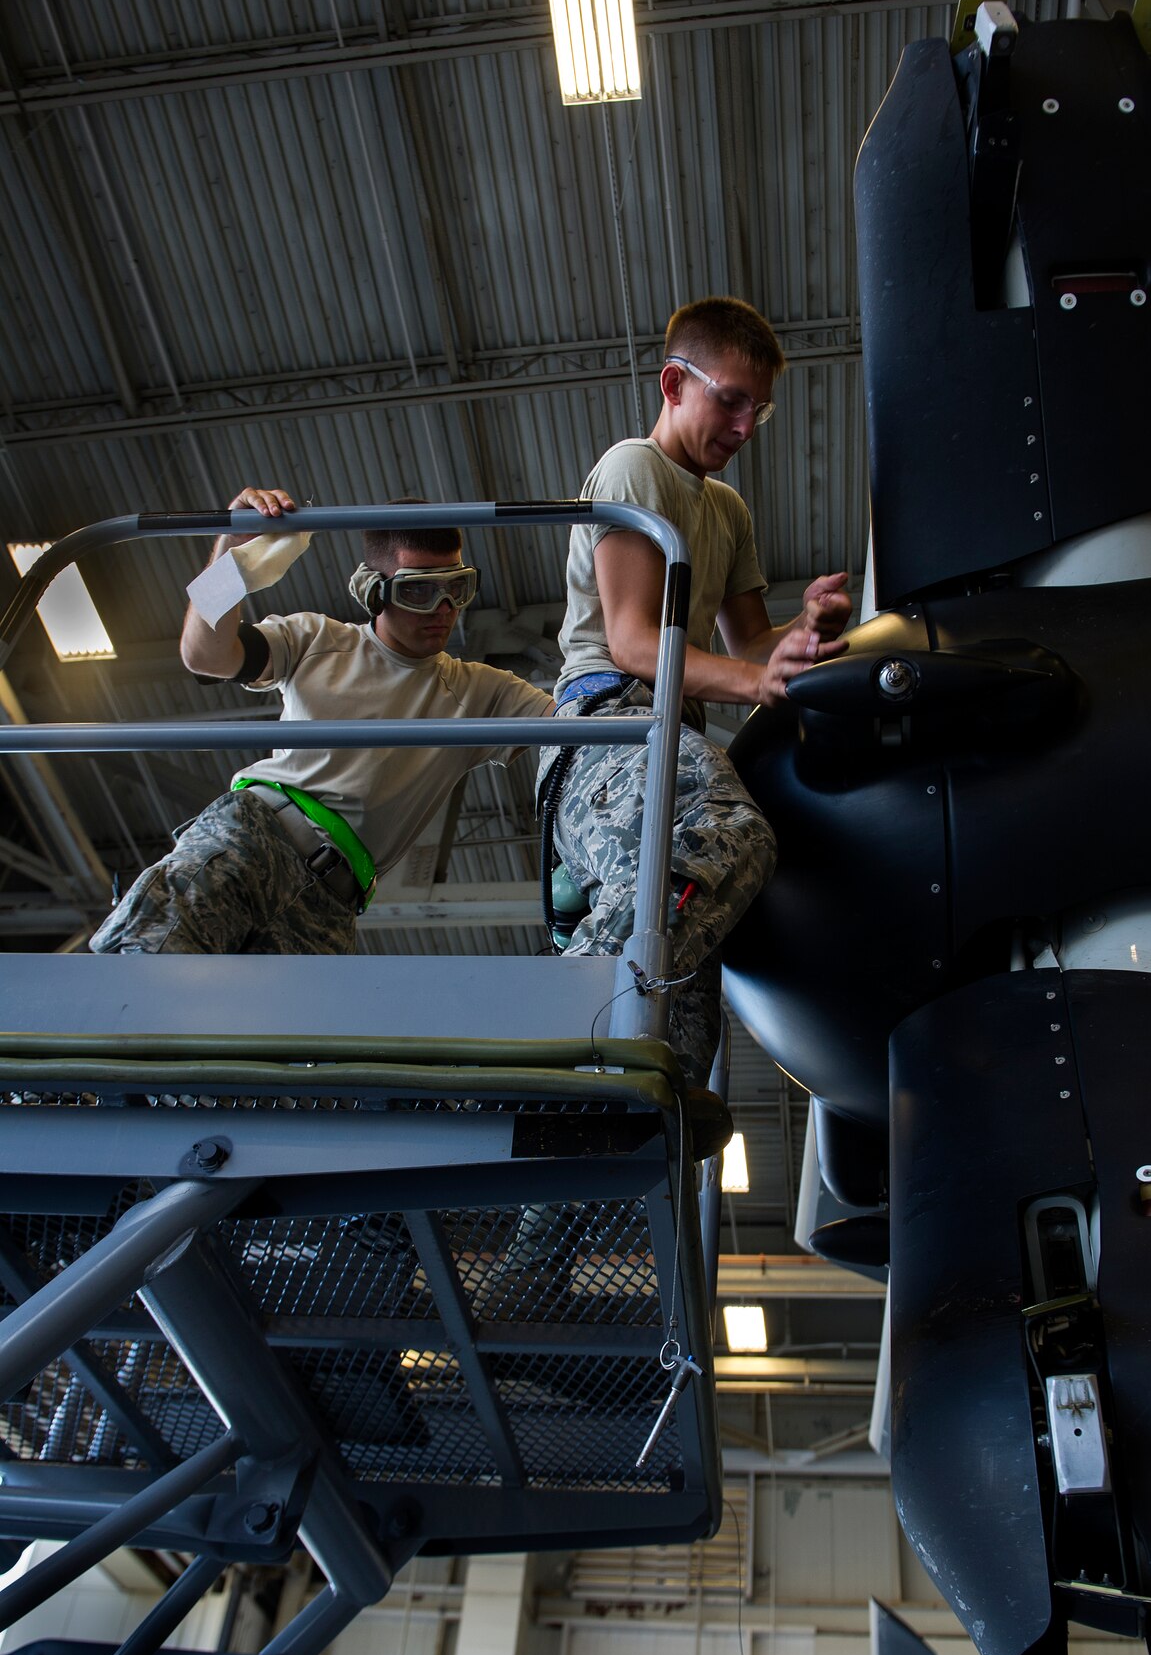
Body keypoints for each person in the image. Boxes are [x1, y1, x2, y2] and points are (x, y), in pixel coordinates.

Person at [541, 297, 851, 1082]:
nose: (745, 426)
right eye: (731, 399)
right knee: (730, 834)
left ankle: (618, 1138)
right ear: (674, 383)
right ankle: (554, 1031)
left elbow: (750, 647)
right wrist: (758, 678)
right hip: (606, 728)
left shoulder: (726, 509)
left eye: (760, 409)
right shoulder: (632, 467)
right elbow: (634, 641)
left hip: (666, 733)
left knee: (683, 1025)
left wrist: (804, 634)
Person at [89, 485, 554, 955]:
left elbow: (576, 723)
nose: (443, 609)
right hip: (254, 840)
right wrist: (231, 554)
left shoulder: (482, 693)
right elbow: (204, 655)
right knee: (145, 965)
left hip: (332, 905)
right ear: (371, 589)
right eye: (418, 590)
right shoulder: (315, 639)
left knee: (269, 1030)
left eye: (457, 588)